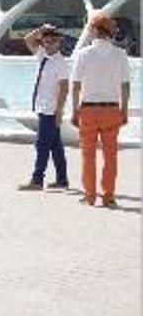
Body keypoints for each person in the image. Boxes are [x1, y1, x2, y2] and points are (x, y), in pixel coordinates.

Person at [70, 13, 131, 208]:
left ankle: (90, 196)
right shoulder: (120, 55)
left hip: (88, 109)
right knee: (110, 155)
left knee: (88, 155)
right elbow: (125, 85)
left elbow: (76, 85)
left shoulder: (83, 54)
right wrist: (124, 110)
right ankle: (108, 195)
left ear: (95, 30)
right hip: (112, 109)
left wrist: (74, 110)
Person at [17, 25, 70, 191]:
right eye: (46, 41)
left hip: (51, 109)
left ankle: (37, 180)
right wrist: (41, 29)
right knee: (55, 146)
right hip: (42, 107)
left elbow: (64, 88)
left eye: (53, 41)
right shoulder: (43, 56)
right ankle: (62, 180)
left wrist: (59, 111)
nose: (49, 44)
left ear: (59, 42)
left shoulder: (60, 63)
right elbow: (27, 40)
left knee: (42, 145)